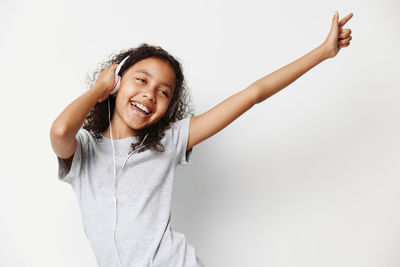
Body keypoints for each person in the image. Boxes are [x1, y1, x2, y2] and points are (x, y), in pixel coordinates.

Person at [50, 11, 353, 267]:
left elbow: (252, 94)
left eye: (163, 91)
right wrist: (100, 87)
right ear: (116, 84)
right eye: (141, 80)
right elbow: (61, 131)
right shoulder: (85, 151)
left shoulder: (169, 141)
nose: (149, 94)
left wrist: (322, 53)